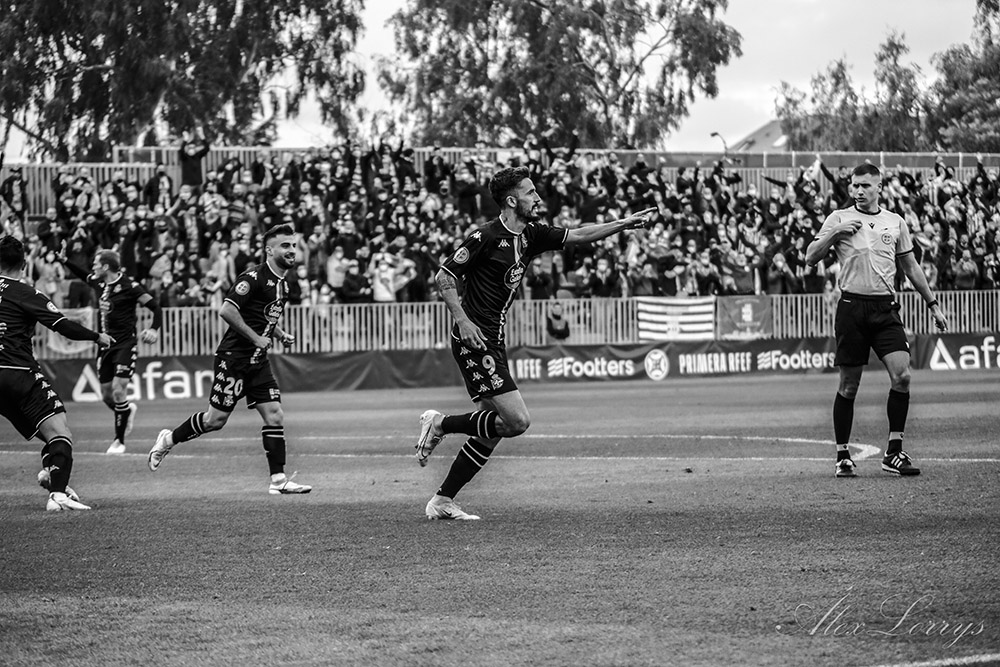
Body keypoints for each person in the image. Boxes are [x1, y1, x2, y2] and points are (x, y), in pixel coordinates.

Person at [414, 166, 654, 520]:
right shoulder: (485, 237)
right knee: (517, 421)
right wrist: (462, 321)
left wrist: (623, 223)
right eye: (530, 193)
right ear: (512, 201)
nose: (538, 198)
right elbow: (445, 275)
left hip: (494, 339)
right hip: (474, 338)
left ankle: (442, 500)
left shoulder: (532, 235)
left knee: (491, 429)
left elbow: (579, 234)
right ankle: (439, 423)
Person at [805, 163, 948, 479]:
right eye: (854, 185)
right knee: (849, 385)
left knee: (903, 376)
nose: (858, 191)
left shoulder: (895, 222)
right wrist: (835, 233)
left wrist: (933, 304)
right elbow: (810, 256)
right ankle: (843, 456)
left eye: (865, 185)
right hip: (851, 309)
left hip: (885, 309)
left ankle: (894, 452)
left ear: (879, 187)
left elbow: (911, 267)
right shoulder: (838, 218)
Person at [146, 224, 312, 495]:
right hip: (234, 358)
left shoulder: (283, 283)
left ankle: (278, 480)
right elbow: (227, 310)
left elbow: (262, 315)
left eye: (293, 245)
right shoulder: (253, 277)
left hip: (258, 361)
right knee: (215, 421)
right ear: (269, 251)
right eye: (285, 245)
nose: (291, 250)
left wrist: (280, 334)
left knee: (274, 414)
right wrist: (256, 338)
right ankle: (168, 439)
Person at [0, 236, 113, 511]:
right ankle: (58, 495)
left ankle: (53, 476)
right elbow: (62, 325)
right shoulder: (25, 292)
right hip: (18, 373)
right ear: (24, 265)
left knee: (48, 434)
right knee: (60, 432)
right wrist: (97, 336)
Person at [60, 249, 162, 454]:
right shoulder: (99, 282)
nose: (93, 267)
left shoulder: (130, 286)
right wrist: (65, 260)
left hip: (125, 344)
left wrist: (153, 329)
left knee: (118, 389)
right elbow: (83, 275)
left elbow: (155, 307)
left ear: (106, 266)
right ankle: (126, 412)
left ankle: (118, 442)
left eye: (96, 263)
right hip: (105, 345)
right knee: (107, 395)